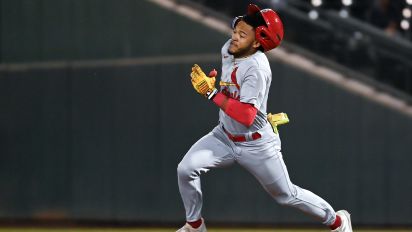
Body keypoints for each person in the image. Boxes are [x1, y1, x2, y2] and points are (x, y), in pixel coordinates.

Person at [176, 4, 353, 232]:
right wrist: (216, 85)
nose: (235, 36)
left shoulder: (257, 68)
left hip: (256, 144)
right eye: (235, 31)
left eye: (242, 34)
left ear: (258, 42)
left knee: (286, 195)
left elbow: (248, 116)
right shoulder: (229, 49)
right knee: (186, 169)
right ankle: (195, 225)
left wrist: (211, 93)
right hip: (224, 136)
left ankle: (338, 222)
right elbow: (232, 87)